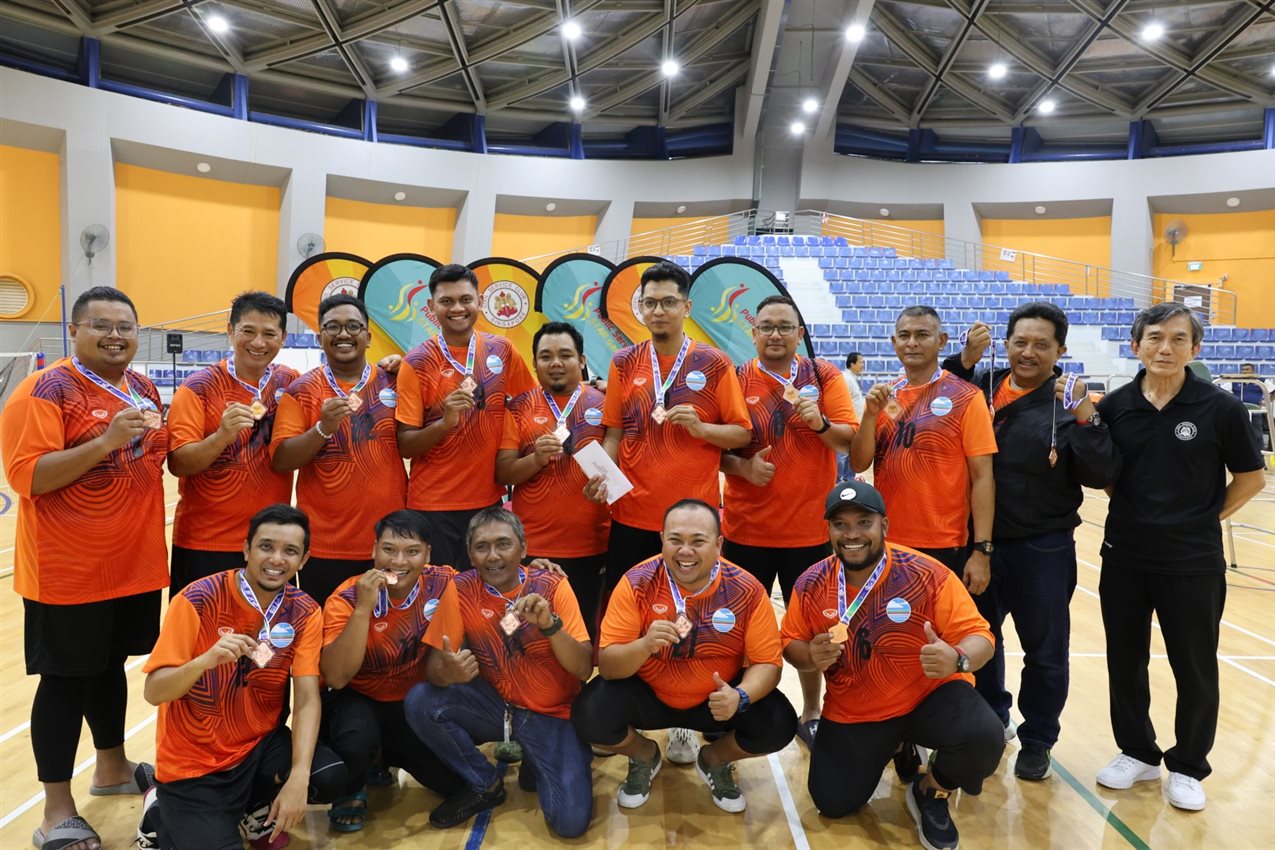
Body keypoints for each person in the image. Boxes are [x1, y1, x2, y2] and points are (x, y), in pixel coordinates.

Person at [1, 286, 167, 850]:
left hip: (132, 565)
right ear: (74, 331)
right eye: (101, 325)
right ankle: (55, 811)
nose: (115, 335)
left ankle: (112, 767)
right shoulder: (43, 390)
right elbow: (29, 477)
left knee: (110, 667)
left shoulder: (142, 387)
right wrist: (105, 441)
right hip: (67, 571)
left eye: (125, 326)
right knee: (65, 682)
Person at [1094, 303, 1265, 811]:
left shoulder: (1221, 408)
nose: (1165, 348)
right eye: (1154, 338)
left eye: (1177, 339)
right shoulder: (1115, 407)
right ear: (1136, 346)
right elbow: (1108, 475)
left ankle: (1189, 765)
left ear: (1196, 348)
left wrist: (1204, 518)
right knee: (1125, 660)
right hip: (1124, 556)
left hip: (1193, 562)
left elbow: (1251, 478)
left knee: (1194, 666)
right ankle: (1137, 752)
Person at [941, 302, 1120, 780]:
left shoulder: (1070, 401)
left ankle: (1039, 737)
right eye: (1020, 342)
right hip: (978, 543)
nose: (1028, 352)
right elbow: (937, 393)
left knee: (1045, 649)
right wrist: (964, 359)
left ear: (1060, 351)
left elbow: (1101, 472)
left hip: (1043, 547)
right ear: (1005, 344)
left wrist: (1086, 416)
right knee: (980, 637)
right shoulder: (979, 385)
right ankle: (992, 715)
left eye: (1042, 344)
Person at [782, 480, 1002, 850]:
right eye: (840, 524)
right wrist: (809, 656)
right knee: (831, 801)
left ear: (884, 525)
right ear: (829, 530)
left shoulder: (926, 574)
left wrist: (957, 658)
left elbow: (981, 636)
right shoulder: (811, 583)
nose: (852, 534)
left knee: (984, 737)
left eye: (863, 523)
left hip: (927, 698)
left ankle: (932, 790)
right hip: (857, 711)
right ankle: (898, 745)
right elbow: (791, 644)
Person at [598, 260, 751, 764]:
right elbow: (614, 431)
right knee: (633, 625)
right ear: (641, 308)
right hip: (632, 516)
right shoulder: (624, 362)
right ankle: (636, 714)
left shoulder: (713, 363)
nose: (658, 310)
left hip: (693, 527)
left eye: (668, 301)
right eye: (650, 302)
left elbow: (742, 432)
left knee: (697, 624)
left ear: (686, 306)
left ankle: (686, 719)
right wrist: (605, 476)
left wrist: (703, 429)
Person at [137, 505, 345, 850]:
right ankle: (158, 810)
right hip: (194, 764)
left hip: (259, 747)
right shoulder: (197, 599)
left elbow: (307, 698)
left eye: (290, 551)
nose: (276, 559)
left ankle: (253, 805)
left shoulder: (305, 610)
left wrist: (299, 777)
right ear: (246, 549)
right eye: (266, 546)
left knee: (329, 776)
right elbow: (154, 691)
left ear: (304, 560)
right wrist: (204, 661)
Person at [572, 499, 797, 814]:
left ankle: (715, 759)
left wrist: (741, 696)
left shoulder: (746, 589)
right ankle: (643, 754)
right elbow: (608, 666)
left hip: (714, 701)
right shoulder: (636, 582)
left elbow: (768, 664)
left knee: (779, 722)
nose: (685, 551)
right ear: (661, 539)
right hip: (649, 695)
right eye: (675, 540)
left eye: (698, 541)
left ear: (718, 544)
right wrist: (644, 645)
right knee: (588, 712)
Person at [720, 294, 858, 745]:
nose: (775, 334)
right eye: (766, 326)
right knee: (734, 628)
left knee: (814, 631)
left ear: (799, 334)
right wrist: (743, 468)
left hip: (809, 532)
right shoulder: (734, 378)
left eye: (784, 327)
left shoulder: (823, 375)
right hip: (746, 531)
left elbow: (848, 442)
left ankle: (812, 711)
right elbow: (710, 448)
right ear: (753, 333)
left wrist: (820, 424)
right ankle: (733, 706)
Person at [406, 508, 594, 837]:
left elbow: (583, 668)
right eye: (482, 547)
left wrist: (550, 626)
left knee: (570, 823)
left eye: (503, 544)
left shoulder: (552, 585)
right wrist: (448, 672)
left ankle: (544, 756)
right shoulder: (460, 588)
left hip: (552, 714)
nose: (493, 556)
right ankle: (485, 784)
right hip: (495, 706)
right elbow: (434, 669)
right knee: (422, 701)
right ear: (470, 555)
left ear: (523, 548)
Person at [317, 510, 465, 833]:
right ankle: (353, 784)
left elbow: (493, 583)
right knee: (356, 740)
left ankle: (384, 754)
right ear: (373, 550)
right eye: (389, 550)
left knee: (455, 782)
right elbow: (337, 678)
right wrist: (363, 609)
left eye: (412, 551)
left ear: (428, 554)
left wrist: (535, 572)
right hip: (357, 699)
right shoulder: (346, 597)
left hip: (412, 704)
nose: (398, 561)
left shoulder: (444, 581)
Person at [395, 264, 537, 570]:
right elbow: (405, 444)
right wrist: (444, 423)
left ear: (480, 301)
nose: (457, 308)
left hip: (488, 500)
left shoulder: (503, 350)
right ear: (431, 306)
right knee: (440, 592)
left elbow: (532, 406)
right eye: (446, 301)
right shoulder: (416, 362)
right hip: (433, 504)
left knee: (485, 589)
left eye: (465, 299)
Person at [849, 305, 997, 592]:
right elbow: (858, 463)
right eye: (904, 335)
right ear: (894, 342)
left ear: (941, 340)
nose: (912, 343)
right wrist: (869, 415)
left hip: (945, 542)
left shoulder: (967, 397)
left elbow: (983, 477)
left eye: (922, 335)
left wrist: (982, 550)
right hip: (887, 539)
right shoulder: (884, 397)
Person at [271, 294, 407, 603]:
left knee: (386, 627)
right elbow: (281, 459)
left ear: (368, 337)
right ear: (320, 337)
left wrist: (406, 367)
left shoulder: (395, 382)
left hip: (389, 542)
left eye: (353, 326)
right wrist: (323, 428)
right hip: (324, 545)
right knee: (326, 627)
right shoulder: (301, 390)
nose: (343, 334)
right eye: (333, 327)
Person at [167, 291, 299, 594]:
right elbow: (179, 463)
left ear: (283, 338)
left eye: (269, 334)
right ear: (230, 330)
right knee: (200, 625)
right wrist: (221, 436)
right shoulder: (198, 387)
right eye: (248, 331)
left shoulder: (291, 382)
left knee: (267, 626)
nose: (258, 343)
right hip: (206, 541)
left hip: (271, 543)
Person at [497, 321, 610, 638]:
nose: (556, 363)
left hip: (592, 544)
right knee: (529, 635)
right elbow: (503, 472)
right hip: (533, 546)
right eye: (546, 356)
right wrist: (535, 459)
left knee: (582, 634)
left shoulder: (604, 404)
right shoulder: (518, 408)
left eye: (565, 355)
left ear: (582, 360)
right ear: (534, 363)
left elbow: (620, 468)